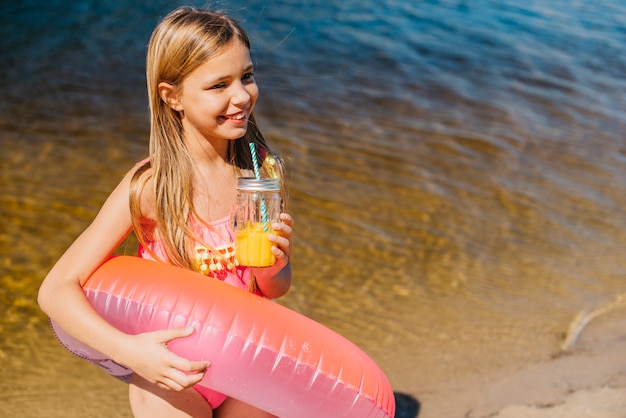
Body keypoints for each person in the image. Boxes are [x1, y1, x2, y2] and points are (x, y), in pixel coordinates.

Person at [38, 6, 293, 418]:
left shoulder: (260, 169)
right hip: (170, 374)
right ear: (172, 96)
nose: (242, 96)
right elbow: (56, 289)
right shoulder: (153, 186)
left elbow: (274, 287)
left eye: (246, 76)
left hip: (245, 366)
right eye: (218, 85)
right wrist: (131, 352)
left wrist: (273, 266)